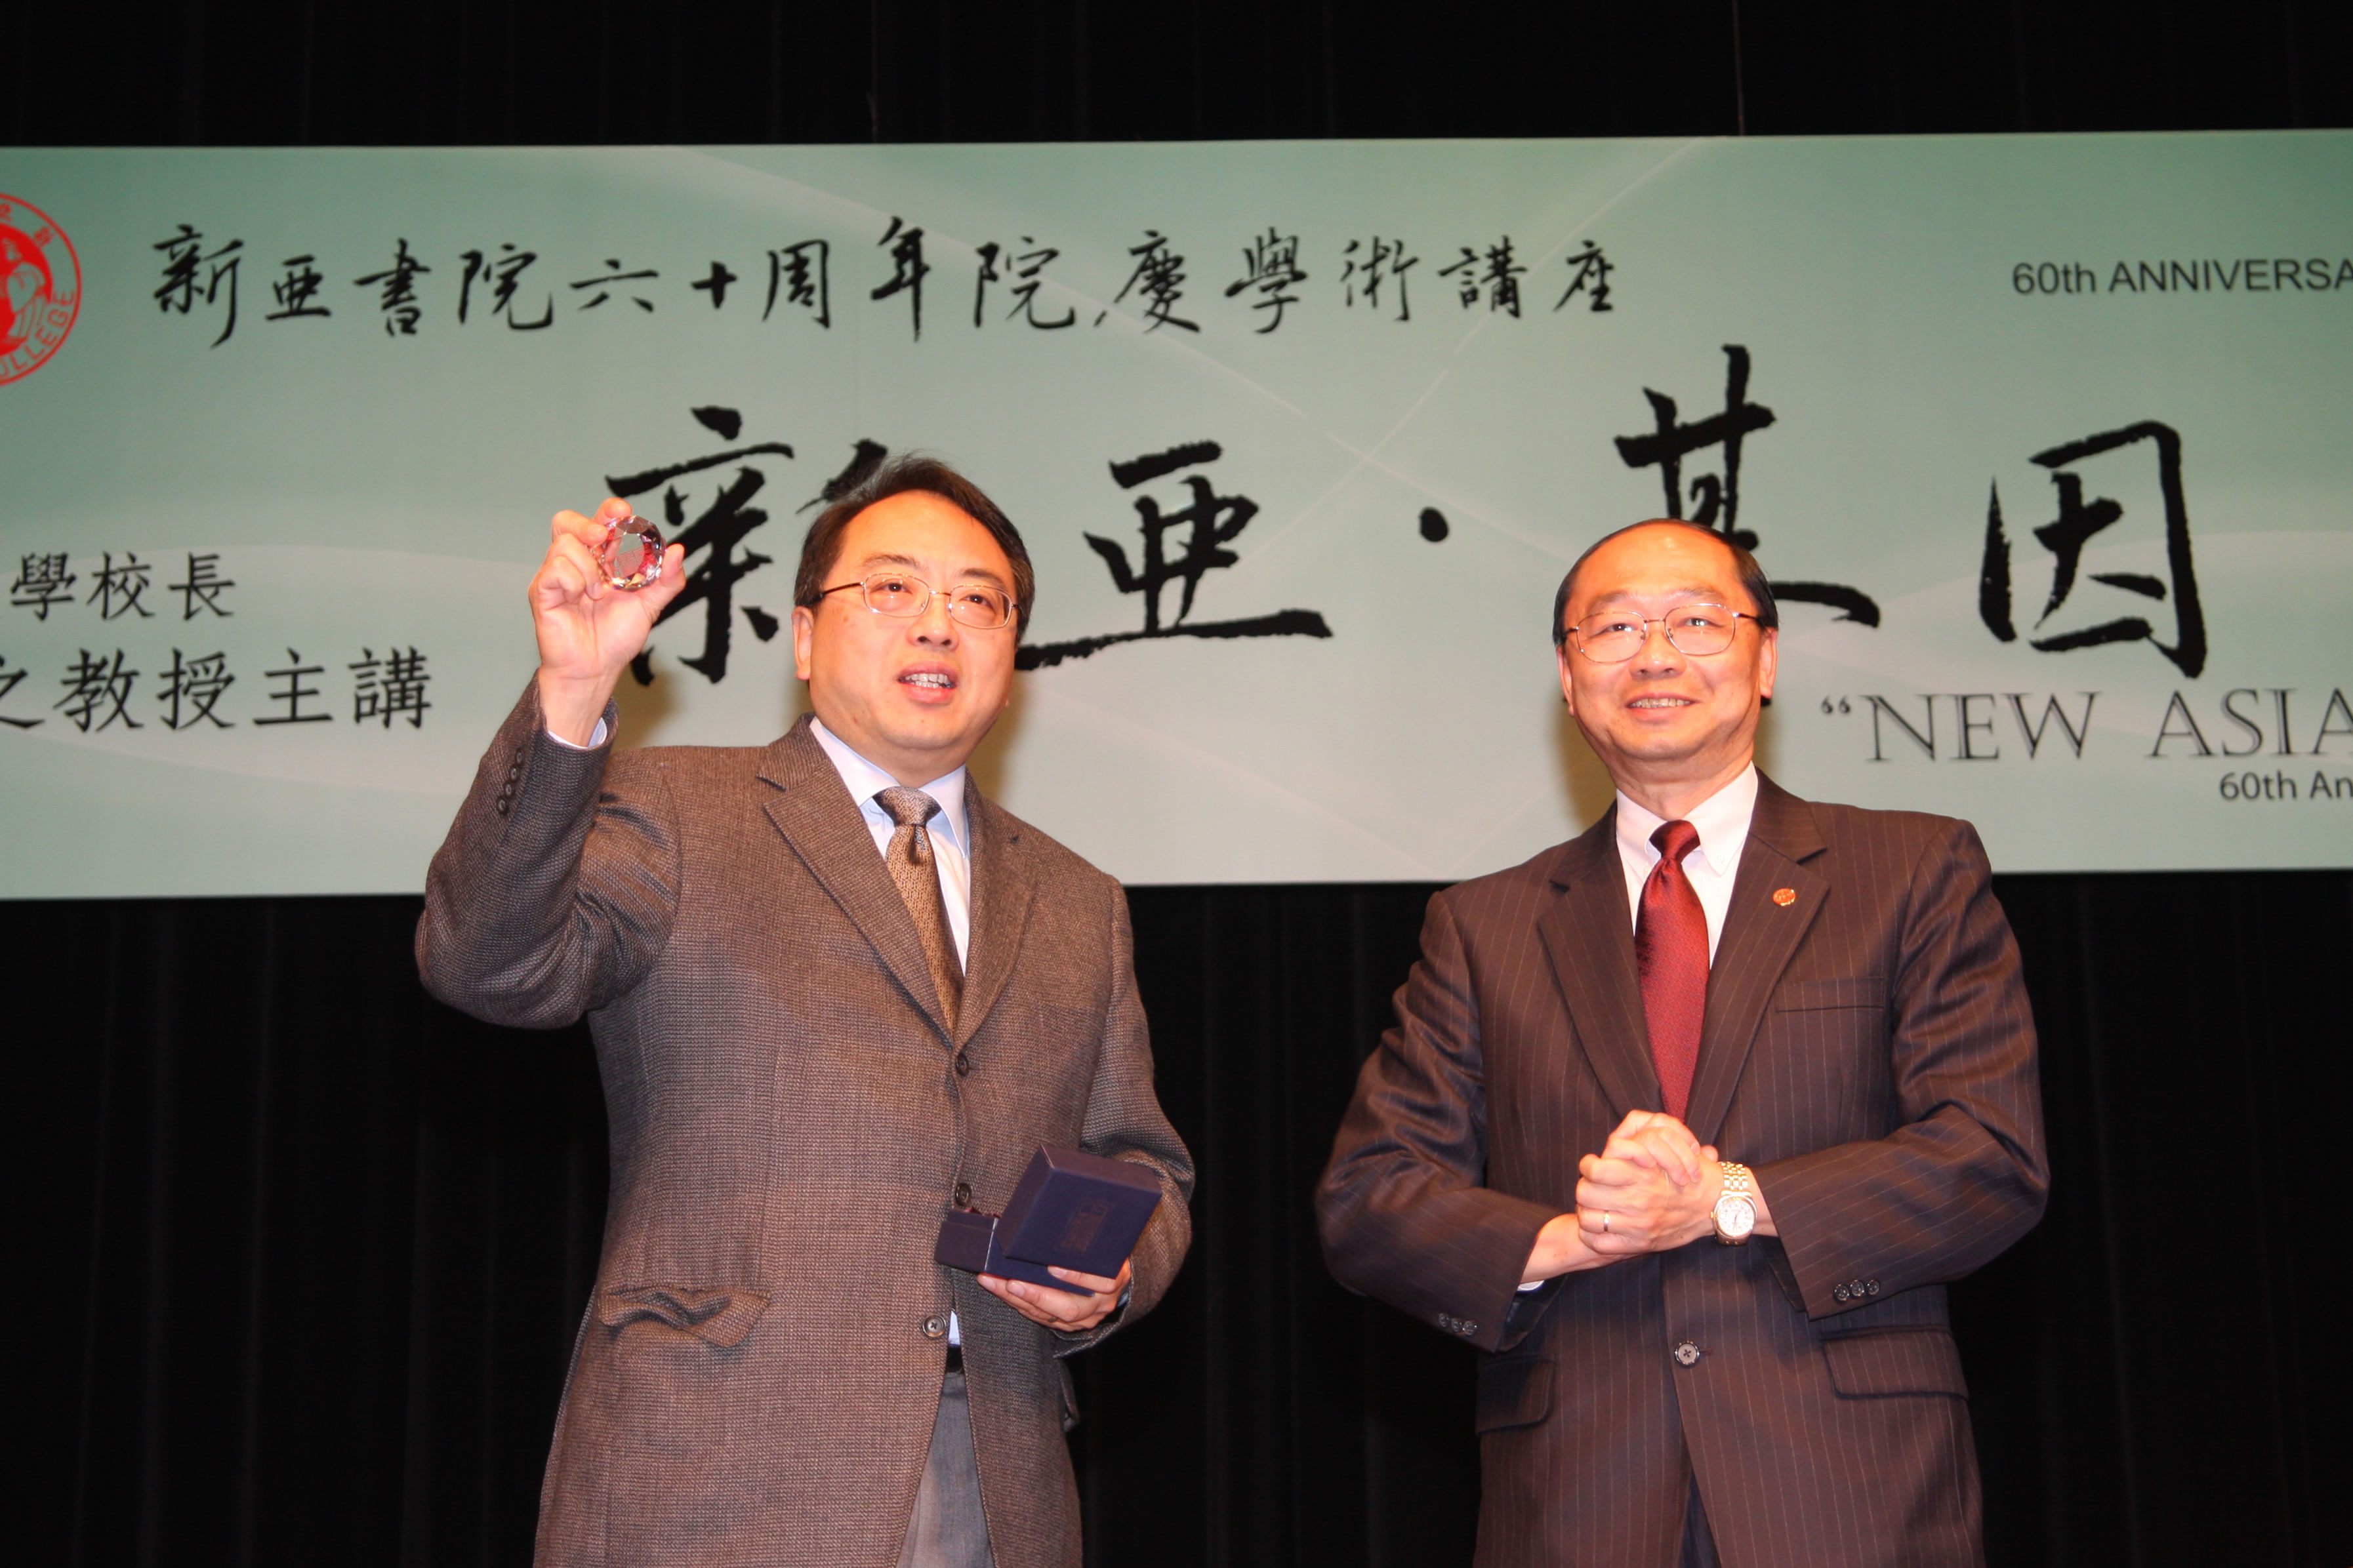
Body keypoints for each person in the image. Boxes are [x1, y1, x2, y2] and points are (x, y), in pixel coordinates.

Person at [417, 454, 1193, 1568]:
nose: (938, 625)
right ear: (803, 636)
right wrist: (574, 694)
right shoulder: (676, 809)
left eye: (978, 600)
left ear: (1011, 656)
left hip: (996, 1477)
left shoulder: (1081, 901)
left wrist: (1111, 1280)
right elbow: (484, 961)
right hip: (719, 1467)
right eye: (890, 590)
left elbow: (1147, 1165)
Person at [1315, 519, 2046, 1567]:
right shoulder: (1484, 923)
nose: (1655, 655)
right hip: (1580, 1505)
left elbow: (1990, 1156)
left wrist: (1726, 1200)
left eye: (1697, 621)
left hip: (1848, 1494)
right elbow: (1368, 1201)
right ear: (1567, 678)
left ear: (1768, 659)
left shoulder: (1912, 869)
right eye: (1613, 628)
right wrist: (1575, 1237)